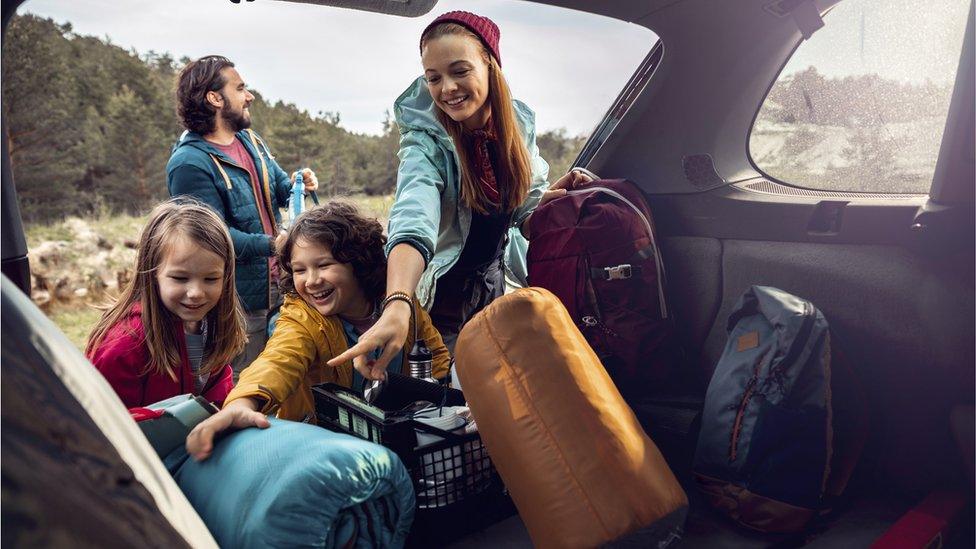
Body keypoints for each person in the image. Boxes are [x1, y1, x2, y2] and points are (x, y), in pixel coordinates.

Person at [330, 11, 591, 379]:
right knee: (443, 403)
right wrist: (399, 302)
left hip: (493, 290)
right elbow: (412, 217)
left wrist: (552, 201)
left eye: (459, 71)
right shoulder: (425, 143)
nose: (447, 88)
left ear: (489, 64)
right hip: (442, 301)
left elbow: (524, 216)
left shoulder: (517, 130)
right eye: (433, 78)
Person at [185, 202, 450, 461]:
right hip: (323, 450)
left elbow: (435, 356)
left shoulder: (398, 305)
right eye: (299, 270)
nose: (311, 281)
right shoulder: (302, 317)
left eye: (323, 265)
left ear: (358, 262)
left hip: (399, 442)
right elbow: (278, 360)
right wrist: (242, 404)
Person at [167, 55, 319, 379]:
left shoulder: (249, 140)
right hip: (239, 301)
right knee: (242, 383)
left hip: (280, 286)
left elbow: (276, 186)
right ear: (215, 98)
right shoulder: (189, 164)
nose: (249, 96)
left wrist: (297, 183)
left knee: (284, 376)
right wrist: (273, 244)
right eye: (240, 88)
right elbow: (210, 239)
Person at [86, 199, 248, 409]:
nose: (196, 293)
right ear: (152, 274)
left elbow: (218, 392)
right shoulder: (124, 345)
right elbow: (105, 420)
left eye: (211, 279)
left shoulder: (210, 324)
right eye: (180, 278)